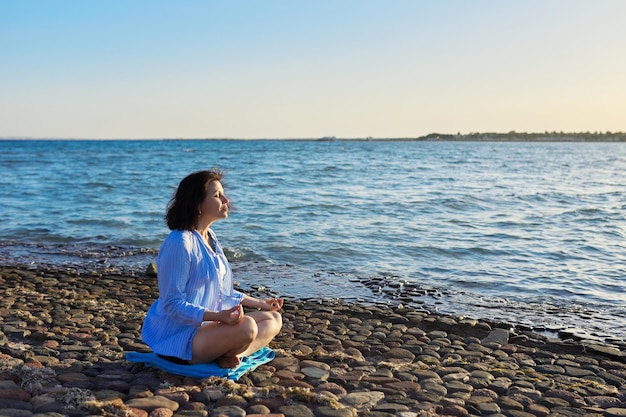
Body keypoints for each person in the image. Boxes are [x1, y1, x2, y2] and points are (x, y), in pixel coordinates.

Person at [142, 169, 283, 368]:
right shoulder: (179, 243)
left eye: (223, 194)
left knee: (273, 319)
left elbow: (222, 291)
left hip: (209, 329)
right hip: (180, 338)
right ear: (197, 204)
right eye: (217, 196)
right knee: (248, 328)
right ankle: (226, 353)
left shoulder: (210, 238)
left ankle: (226, 355)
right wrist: (218, 316)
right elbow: (172, 304)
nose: (226, 200)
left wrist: (261, 303)